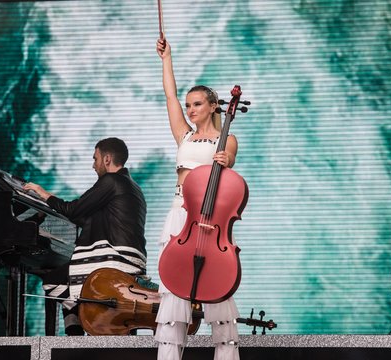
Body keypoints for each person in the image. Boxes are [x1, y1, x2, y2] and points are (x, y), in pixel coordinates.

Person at [154, 37, 240, 360]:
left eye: (197, 104)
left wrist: (225, 160)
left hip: (207, 222)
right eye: (189, 105)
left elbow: (229, 157)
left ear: (214, 107)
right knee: (173, 304)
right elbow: (169, 95)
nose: (189, 110)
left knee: (218, 297)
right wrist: (167, 58)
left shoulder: (225, 138)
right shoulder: (184, 134)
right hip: (180, 216)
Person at [24, 137, 148, 335]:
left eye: (95, 159)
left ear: (107, 159)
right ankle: (85, 326)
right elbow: (88, 218)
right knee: (67, 284)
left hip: (115, 260)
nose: (93, 165)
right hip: (132, 260)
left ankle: (76, 334)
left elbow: (73, 210)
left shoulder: (111, 181)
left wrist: (43, 194)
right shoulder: (133, 187)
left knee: (53, 281)